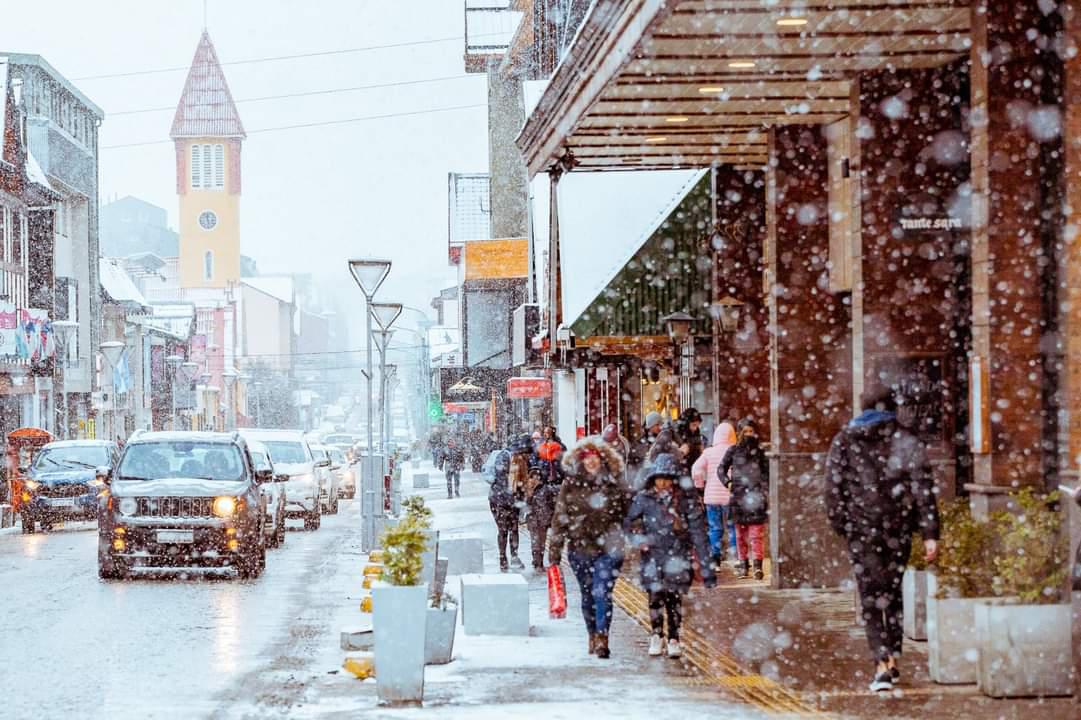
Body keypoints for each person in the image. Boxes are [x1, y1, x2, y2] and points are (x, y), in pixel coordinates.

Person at [825, 386, 940, 693]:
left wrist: (843, 524)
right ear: (893, 408)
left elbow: (833, 487)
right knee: (893, 589)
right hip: (897, 528)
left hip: (862, 530)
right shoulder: (905, 439)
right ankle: (893, 656)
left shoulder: (845, 439)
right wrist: (930, 533)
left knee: (870, 595)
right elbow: (923, 487)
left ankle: (881, 662)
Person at [625, 453, 716, 659]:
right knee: (655, 597)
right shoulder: (644, 499)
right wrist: (639, 540)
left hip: (678, 556)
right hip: (653, 556)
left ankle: (674, 637)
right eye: (660, 478)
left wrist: (707, 566)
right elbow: (628, 523)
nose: (664, 483)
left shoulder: (686, 501)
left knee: (674, 598)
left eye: (668, 479)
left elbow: (698, 534)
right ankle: (656, 635)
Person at [549, 437, 631, 659]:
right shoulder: (571, 484)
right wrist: (554, 553)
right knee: (587, 595)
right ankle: (592, 633)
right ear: (581, 460)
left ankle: (603, 636)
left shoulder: (614, 482)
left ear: (602, 459)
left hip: (609, 548)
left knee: (602, 592)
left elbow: (629, 513)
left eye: (595, 457)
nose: (591, 461)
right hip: (580, 549)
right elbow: (560, 518)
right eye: (587, 457)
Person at [720, 418, 769, 581]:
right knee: (740, 535)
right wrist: (728, 482)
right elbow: (721, 469)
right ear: (739, 433)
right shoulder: (733, 450)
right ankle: (743, 565)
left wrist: (763, 489)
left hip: (756, 497)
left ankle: (757, 566)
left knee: (756, 535)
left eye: (751, 431)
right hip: (738, 497)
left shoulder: (760, 452)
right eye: (745, 431)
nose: (748, 434)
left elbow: (767, 473)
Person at [691, 421, 738, 568]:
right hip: (730, 494)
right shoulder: (734, 451)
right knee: (732, 527)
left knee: (715, 528)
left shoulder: (708, 452)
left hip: (711, 496)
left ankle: (715, 560)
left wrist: (700, 485)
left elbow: (696, 469)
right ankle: (736, 558)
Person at [487, 435, 530, 572]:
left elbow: (519, 482)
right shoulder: (506, 458)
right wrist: (513, 498)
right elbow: (503, 482)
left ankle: (511, 557)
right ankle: (504, 558)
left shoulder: (516, 459)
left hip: (505, 500)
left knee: (512, 529)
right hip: (500, 500)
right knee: (505, 529)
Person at [526, 437, 564, 572]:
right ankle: (538, 563)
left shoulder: (544, 488)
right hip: (538, 519)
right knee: (538, 542)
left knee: (539, 542)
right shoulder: (534, 489)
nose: (535, 479)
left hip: (541, 518)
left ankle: (538, 562)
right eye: (533, 477)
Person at [627, 411, 664, 489]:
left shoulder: (664, 441)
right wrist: (632, 482)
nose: (660, 427)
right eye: (657, 424)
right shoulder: (638, 444)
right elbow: (631, 464)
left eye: (661, 424)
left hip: (660, 482)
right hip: (642, 482)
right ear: (650, 426)